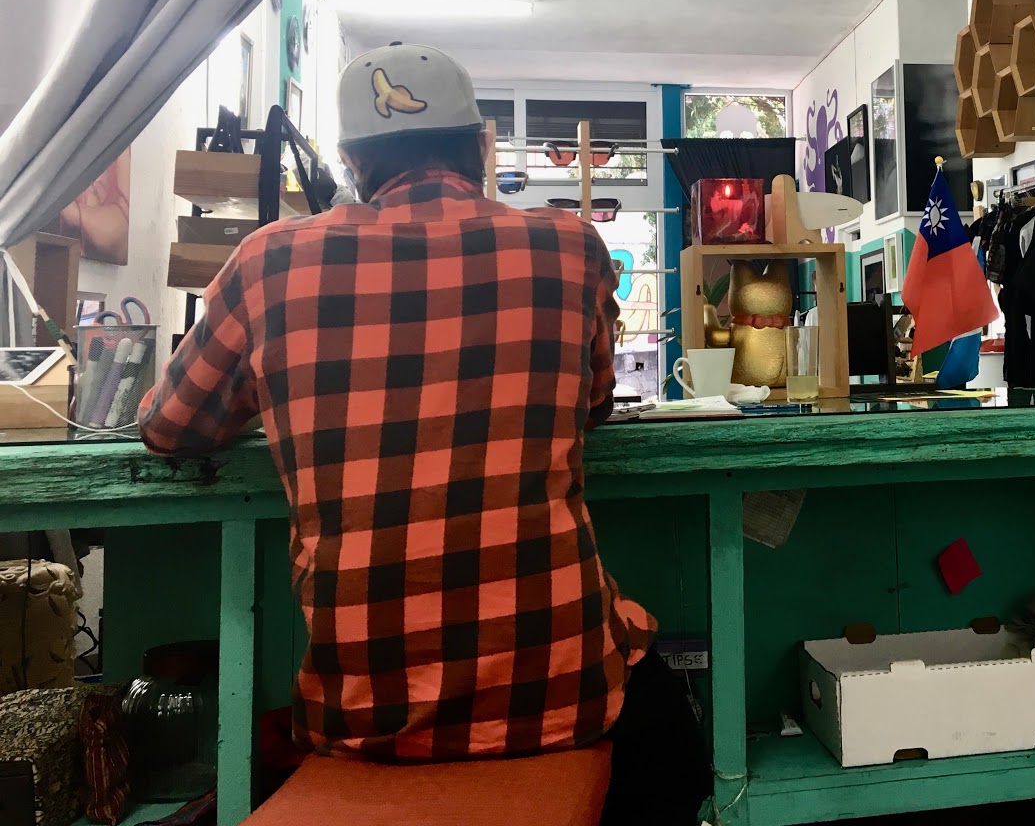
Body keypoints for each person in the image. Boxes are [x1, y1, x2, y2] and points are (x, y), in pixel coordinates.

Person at [140, 42, 710, 823]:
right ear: (482, 147)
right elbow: (595, 402)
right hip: (561, 696)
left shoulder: (267, 262)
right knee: (675, 740)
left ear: (350, 162)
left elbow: (170, 427)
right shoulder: (569, 245)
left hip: (363, 715)